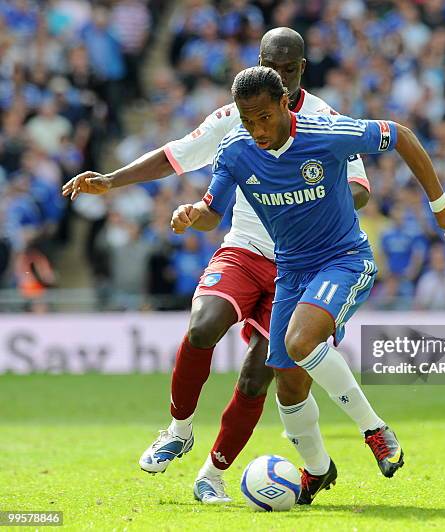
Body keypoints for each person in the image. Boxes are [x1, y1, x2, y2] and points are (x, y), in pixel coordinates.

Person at [61, 28, 371, 503]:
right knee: (203, 327)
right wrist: (111, 179)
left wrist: (309, 203)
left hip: (303, 264)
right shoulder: (239, 116)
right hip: (245, 249)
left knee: (255, 377)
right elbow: (175, 156)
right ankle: (179, 428)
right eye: (275, 68)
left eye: (291, 71)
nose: (283, 81)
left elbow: (360, 187)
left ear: (302, 68)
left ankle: (213, 473)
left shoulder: (328, 121)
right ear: (261, 62)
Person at [171, 66, 445, 504]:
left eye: (264, 118)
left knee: (301, 341)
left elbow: (401, 135)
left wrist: (439, 204)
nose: (257, 130)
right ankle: (316, 470)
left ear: (286, 104)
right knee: (288, 388)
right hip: (291, 272)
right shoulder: (235, 151)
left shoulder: (327, 134)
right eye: (247, 121)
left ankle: (374, 429)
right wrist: (195, 213)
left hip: (343, 260)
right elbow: (214, 209)